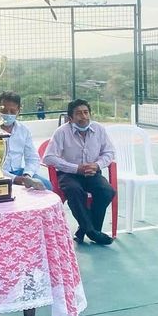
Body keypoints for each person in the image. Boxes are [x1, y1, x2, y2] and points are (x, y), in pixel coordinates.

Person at [43, 99, 117, 245]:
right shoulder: (61, 132)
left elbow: (109, 152)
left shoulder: (99, 129)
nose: (83, 117)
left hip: (92, 173)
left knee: (107, 191)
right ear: (70, 118)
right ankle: (92, 232)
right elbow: (48, 157)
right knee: (74, 190)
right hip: (68, 174)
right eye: (78, 114)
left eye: (86, 112)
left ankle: (86, 229)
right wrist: (76, 168)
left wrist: (97, 165)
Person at [0, 91, 52, 191]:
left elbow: (32, 157)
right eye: (4, 111)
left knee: (47, 186)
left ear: (18, 111)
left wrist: (27, 175)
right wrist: (16, 179)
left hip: (20, 173)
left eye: (12, 111)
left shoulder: (23, 130)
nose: (8, 114)